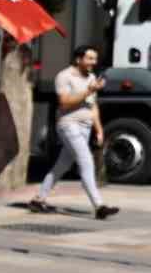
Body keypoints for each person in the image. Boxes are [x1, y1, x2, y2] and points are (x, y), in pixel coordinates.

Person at [32, 44, 118, 220]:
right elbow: (64, 102)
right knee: (86, 162)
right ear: (78, 59)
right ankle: (99, 206)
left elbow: (93, 106)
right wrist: (90, 90)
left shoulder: (91, 77)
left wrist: (99, 130)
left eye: (95, 59)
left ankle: (38, 199)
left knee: (62, 166)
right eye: (89, 59)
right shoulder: (64, 76)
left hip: (86, 127)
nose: (93, 62)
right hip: (68, 125)